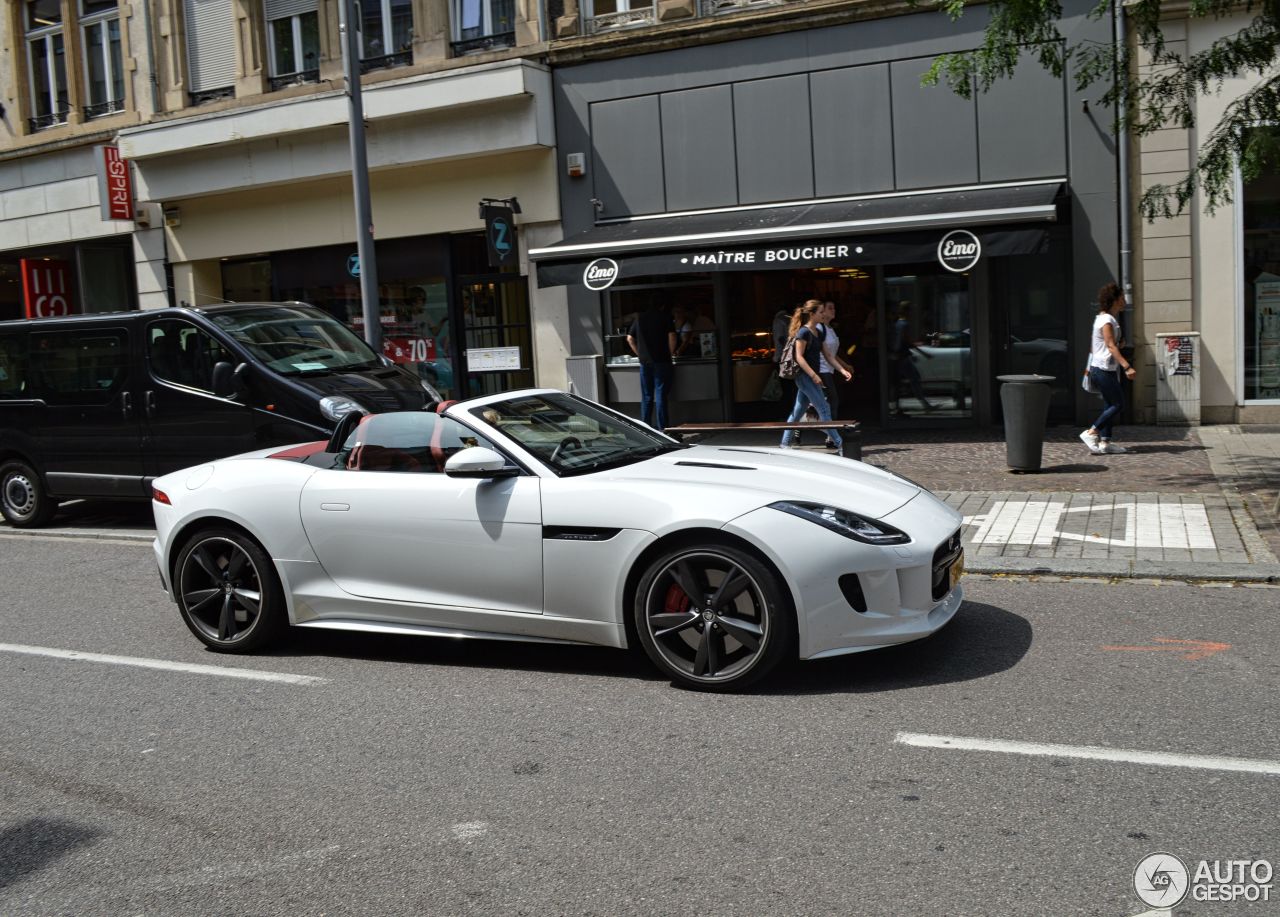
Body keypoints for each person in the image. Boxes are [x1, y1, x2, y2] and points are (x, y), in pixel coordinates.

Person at [1080, 281, 1137, 455]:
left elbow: (1107, 344)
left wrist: (1120, 343)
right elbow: (1110, 346)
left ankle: (1105, 443)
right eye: (1121, 298)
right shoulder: (1106, 320)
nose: (1124, 301)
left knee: (1109, 405)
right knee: (1118, 404)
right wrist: (1127, 366)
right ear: (1114, 300)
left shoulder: (1105, 319)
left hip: (1104, 368)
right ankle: (1091, 432)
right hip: (1102, 369)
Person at [780, 300, 842, 452]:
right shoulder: (803, 332)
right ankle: (841, 443)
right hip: (804, 376)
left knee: (798, 411)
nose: (823, 314)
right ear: (812, 314)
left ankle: (784, 443)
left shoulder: (818, 333)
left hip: (811, 377)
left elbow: (827, 355)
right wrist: (814, 375)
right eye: (820, 312)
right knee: (824, 409)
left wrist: (842, 369)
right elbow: (799, 357)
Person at [627, 298, 678, 432]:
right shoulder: (665, 317)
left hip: (645, 363)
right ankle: (663, 428)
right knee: (660, 394)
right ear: (662, 306)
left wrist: (640, 354)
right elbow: (672, 336)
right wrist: (671, 353)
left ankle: (646, 428)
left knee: (647, 395)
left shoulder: (640, 318)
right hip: (662, 361)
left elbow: (630, 338)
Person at [816, 300, 855, 445]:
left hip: (829, 369)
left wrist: (845, 365)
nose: (834, 310)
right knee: (833, 400)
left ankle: (794, 432)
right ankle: (831, 436)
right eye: (830, 308)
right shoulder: (819, 329)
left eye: (834, 307)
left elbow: (833, 353)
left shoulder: (829, 329)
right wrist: (843, 369)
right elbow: (826, 354)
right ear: (823, 311)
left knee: (805, 405)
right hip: (821, 370)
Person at [890, 301, 936, 415]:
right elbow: (907, 341)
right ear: (906, 311)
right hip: (903, 357)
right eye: (910, 310)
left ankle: (896, 406)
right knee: (914, 379)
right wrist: (924, 353)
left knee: (899, 382)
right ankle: (925, 405)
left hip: (898, 356)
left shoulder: (897, 323)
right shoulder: (904, 324)